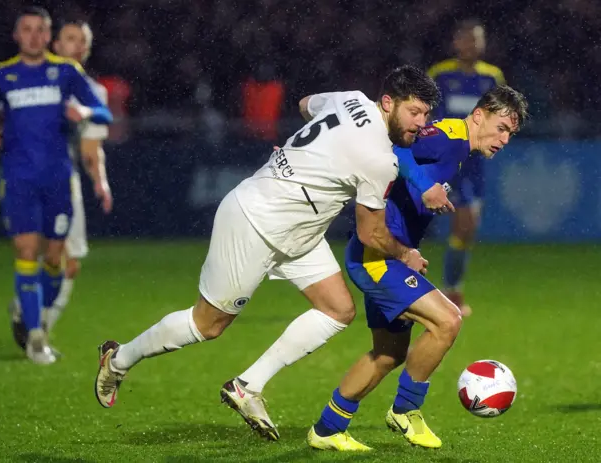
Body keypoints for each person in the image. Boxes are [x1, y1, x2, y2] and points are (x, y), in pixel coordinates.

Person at [94, 66, 452, 440]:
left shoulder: (351, 99)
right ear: (389, 103)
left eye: (426, 114)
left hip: (300, 230)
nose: (421, 122)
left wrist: (305, 153)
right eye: (414, 112)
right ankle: (117, 360)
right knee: (208, 325)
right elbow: (372, 233)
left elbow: (304, 105)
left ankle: (247, 386)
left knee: (338, 309)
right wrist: (406, 253)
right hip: (256, 220)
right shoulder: (379, 159)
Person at [307, 85, 528, 451]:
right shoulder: (447, 138)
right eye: (501, 127)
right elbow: (392, 148)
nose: (504, 139)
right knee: (448, 320)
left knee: (388, 354)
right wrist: (425, 186)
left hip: (387, 255)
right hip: (377, 256)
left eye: (511, 134)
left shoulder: (458, 147)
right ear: (478, 115)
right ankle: (405, 411)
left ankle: (327, 430)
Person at [0, 7, 112, 364]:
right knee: (26, 252)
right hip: (19, 180)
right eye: (26, 30)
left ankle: (32, 312)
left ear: (48, 36)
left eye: (39, 30)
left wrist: (86, 113)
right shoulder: (2, 76)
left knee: (55, 260)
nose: (33, 36)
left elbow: (104, 112)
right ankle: (35, 336)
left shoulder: (65, 72)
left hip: (58, 182)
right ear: (17, 36)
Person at [8, 19, 114, 346]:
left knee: (65, 262)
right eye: (70, 38)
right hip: (27, 180)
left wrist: (100, 181)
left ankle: (33, 321)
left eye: (82, 40)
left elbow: (90, 148)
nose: (77, 45)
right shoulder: (30, 81)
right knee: (39, 253)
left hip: (64, 183)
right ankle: (34, 327)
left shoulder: (94, 93)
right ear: (56, 44)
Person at [427, 19, 506, 316]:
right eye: (467, 39)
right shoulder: (440, 74)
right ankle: (432, 292)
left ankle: (451, 289)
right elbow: (427, 115)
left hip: (474, 165)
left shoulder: (492, 77)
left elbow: (502, 116)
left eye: (477, 39)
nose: (472, 44)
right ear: (456, 42)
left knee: (467, 225)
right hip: (445, 161)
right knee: (419, 223)